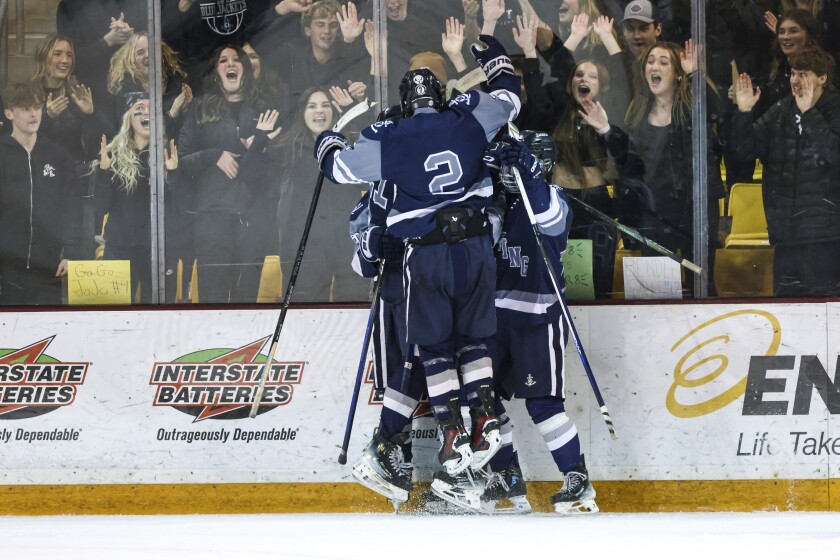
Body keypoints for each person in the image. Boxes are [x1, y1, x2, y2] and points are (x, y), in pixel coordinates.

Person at [315, 35, 522, 479]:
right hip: (476, 250)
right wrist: (497, 63)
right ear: (442, 95)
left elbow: (339, 170)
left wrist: (327, 142)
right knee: (474, 341)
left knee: (433, 348)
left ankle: (452, 433)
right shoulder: (468, 115)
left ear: (406, 103)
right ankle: (483, 417)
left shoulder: (390, 135)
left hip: (426, 257)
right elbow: (509, 99)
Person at [481, 129, 598, 515]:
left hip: (539, 320)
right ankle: (507, 476)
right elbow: (482, 237)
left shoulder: (555, 200)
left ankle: (576, 480)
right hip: (495, 322)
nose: (510, 174)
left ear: (540, 165)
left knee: (543, 404)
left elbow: (549, 218)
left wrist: (528, 175)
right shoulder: (500, 205)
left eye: (522, 164)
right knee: (482, 403)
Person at [240, 86, 371, 302]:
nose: (319, 111)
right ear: (302, 113)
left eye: (325, 105)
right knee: (305, 309)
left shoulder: (350, 145)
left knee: (352, 307)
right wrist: (261, 139)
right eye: (312, 106)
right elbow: (250, 175)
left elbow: (380, 156)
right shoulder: (288, 147)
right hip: (304, 249)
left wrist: (354, 114)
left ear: (335, 111)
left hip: (348, 245)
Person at [616, 41, 724, 296]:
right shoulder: (637, 112)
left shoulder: (693, 108)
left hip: (694, 209)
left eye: (664, 62)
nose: (655, 66)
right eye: (651, 61)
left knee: (701, 284)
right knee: (652, 289)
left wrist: (695, 74)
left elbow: (719, 113)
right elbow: (630, 168)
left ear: (677, 74)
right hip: (653, 212)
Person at [731, 47, 840, 296]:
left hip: (826, 237)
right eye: (793, 74)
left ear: (822, 78)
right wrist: (744, 112)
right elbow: (744, 152)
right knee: (787, 310)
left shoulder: (836, 108)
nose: (795, 80)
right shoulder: (781, 110)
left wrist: (809, 114)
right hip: (785, 233)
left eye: (803, 74)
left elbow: (834, 155)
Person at [177, 45, 273, 303]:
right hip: (212, 217)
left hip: (252, 217)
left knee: (247, 301)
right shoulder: (199, 108)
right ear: (216, 70)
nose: (231, 65)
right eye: (223, 61)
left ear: (246, 68)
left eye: (236, 60)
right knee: (213, 300)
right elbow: (181, 160)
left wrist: (261, 144)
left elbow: (278, 163)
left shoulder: (263, 108)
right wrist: (214, 155)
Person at [93, 95, 179, 304]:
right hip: (119, 248)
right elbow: (101, 207)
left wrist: (174, 173)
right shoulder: (113, 156)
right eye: (139, 109)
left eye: (152, 109)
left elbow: (179, 206)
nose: (146, 113)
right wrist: (104, 171)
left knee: (160, 315)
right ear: (128, 119)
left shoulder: (167, 153)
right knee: (114, 314)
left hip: (156, 250)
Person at [0, 83, 81, 306]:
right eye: (25, 108)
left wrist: (71, 252)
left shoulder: (57, 156)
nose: (33, 114)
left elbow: (72, 207)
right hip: (7, 269)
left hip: (48, 267)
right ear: (9, 113)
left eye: (36, 107)